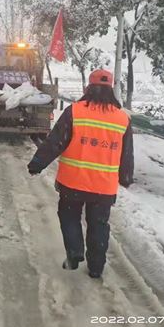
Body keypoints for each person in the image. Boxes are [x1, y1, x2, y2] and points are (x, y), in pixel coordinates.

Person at [26, 69, 133, 278]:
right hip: (104, 187)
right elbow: (127, 153)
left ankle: (74, 251)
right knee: (99, 224)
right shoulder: (122, 119)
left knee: (69, 216)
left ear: (88, 88)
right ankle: (96, 268)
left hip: (73, 183)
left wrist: (37, 164)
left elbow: (56, 142)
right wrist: (126, 177)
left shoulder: (75, 112)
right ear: (111, 90)